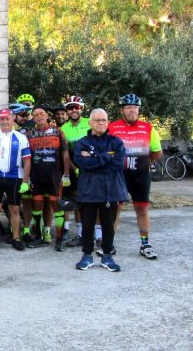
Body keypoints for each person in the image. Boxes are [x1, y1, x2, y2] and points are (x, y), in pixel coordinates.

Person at [108, 93, 162, 260]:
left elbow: (157, 152)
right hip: (120, 176)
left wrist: (143, 164)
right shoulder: (112, 127)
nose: (132, 111)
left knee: (142, 209)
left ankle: (145, 244)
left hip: (140, 177)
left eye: (135, 108)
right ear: (122, 110)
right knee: (116, 209)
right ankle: (109, 244)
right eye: (129, 107)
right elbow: (108, 150)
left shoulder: (148, 128)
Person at [72, 109, 127, 272]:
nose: (100, 123)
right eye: (97, 120)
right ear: (90, 122)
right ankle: (87, 255)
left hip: (110, 191)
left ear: (108, 122)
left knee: (108, 225)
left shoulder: (116, 142)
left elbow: (117, 165)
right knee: (87, 225)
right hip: (88, 190)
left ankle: (107, 256)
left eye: (103, 120)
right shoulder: (81, 143)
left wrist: (94, 157)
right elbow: (83, 164)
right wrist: (107, 156)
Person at [0, 108, 31, 251]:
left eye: (7, 118)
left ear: (12, 119)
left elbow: (27, 161)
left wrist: (26, 182)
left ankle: (16, 237)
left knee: (14, 208)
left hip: (15, 177)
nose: (4, 121)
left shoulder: (21, 138)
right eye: (1, 119)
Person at [25, 105, 70, 251]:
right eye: (36, 114)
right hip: (36, 175)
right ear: (33, 117)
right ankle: (39, 237)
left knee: (56, 206)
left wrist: (66, 173)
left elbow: (65, 153)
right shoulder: (29, 134)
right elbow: (26, 158)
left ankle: (59, 238)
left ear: (47, 115)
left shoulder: (57, 131)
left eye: (42, 113)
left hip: (54, 175)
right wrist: (27, 177)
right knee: (37, 206)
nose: (39, 116)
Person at [60, 95, 91, 247]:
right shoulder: (63, 129)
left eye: (77, 107)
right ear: (67, 110)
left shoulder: (90, 123)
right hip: (76, 170)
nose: (74, 110)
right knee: (78, 202)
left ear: (81, 109)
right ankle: (80, 234)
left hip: (93, 168)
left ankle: (96, 234)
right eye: (70, 107)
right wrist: (74, 169)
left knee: (94, 202)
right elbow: (65, 153)